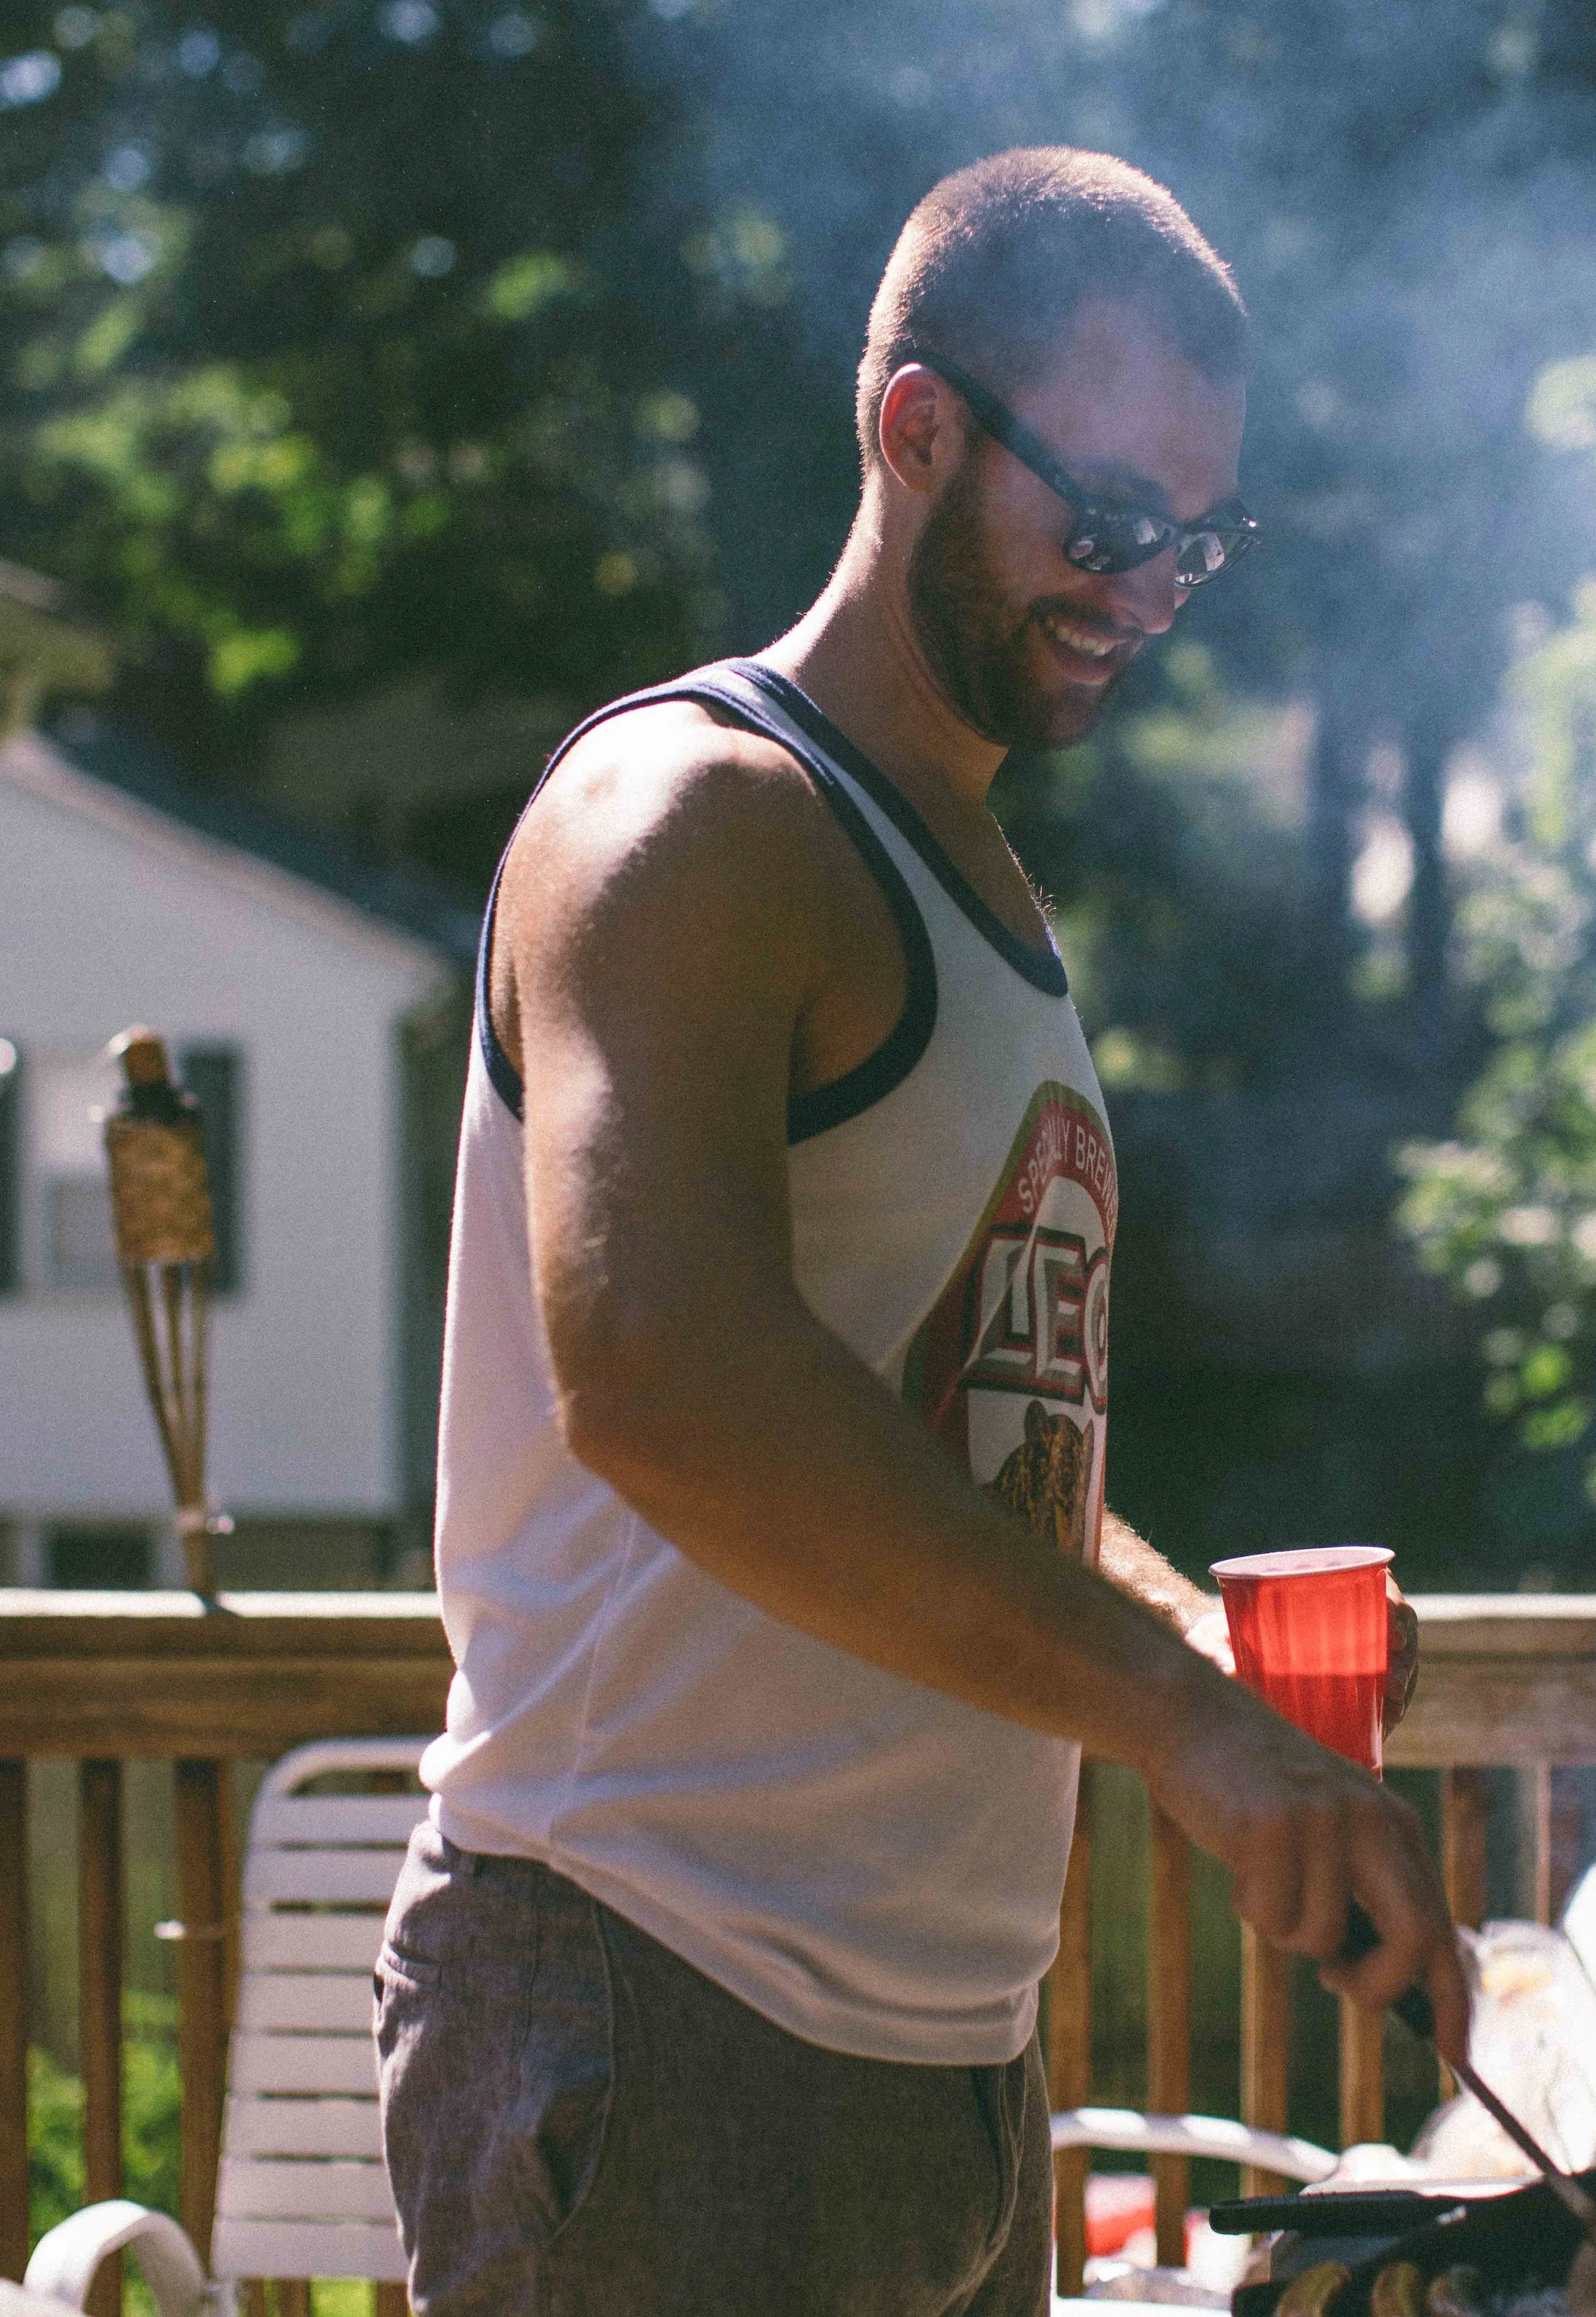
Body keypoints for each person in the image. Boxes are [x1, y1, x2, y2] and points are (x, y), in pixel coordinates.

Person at [375, 145, 1468, 2316]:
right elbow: (667, 1380)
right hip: (663, 2003)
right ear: (914, 427)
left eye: (1196, 536)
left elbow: (959, 1443)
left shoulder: (976, 893)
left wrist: (1212, 1649)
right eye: (1113, 517)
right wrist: (1179, 1721)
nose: (1152, 588)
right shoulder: (691, 814)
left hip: (942, 2055)